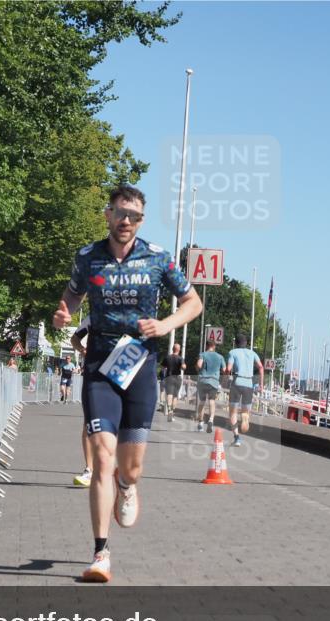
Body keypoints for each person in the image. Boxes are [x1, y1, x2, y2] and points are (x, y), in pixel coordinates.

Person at [53, 185, 202, 583]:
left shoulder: (157, 258)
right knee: (102, 456)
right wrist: (64, 313)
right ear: (108, 214)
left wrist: (166, 324)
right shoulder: (88, 257)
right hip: (101, 364)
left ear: (141, 220)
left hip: (140, 363)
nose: (125, 222)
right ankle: (101, 553)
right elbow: (72, 296)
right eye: (120, 213)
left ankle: (128, 485)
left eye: (134, 216)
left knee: (130, 468)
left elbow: (193, 303)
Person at [226, 333, 264, 447]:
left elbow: (228, 368)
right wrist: (261, 385)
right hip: (249, 384)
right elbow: (261, 367)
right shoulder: (252, 353)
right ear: (246, 343)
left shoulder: (233, 352)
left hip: (237, 382)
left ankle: (237, 437)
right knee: (245, 411)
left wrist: (227, 374)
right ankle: (245, 418)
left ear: (236, 343)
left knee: (232, 412)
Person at [70, 317, 93, 488]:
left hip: (118, 376)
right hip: (93, 374)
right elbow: (74, 338)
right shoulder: (93, 317)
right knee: (88, 424)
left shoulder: (130, 315)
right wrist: (83, 350)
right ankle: (89, 469)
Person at [195, 339, 226, 433]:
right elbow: (225, 370)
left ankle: (200, 423)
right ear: (214, 346)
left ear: (207, 346)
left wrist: (197, 368)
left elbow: (199, 365)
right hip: (214, 381)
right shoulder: (220, 357)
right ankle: (211, 420)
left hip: (203, 380)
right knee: (212, 400)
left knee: (202, 401)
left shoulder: (203, 354)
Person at [161, 343, 186, 422]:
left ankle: (169, 410)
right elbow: (183, 367)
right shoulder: (180, 358)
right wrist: (183, 366)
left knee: (169, 395)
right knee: (175, 396)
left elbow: (163, 367)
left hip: (169, 378)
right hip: (177, 378)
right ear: (179, 350)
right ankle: (172, 411)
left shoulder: (167, 357)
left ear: (172, 349)